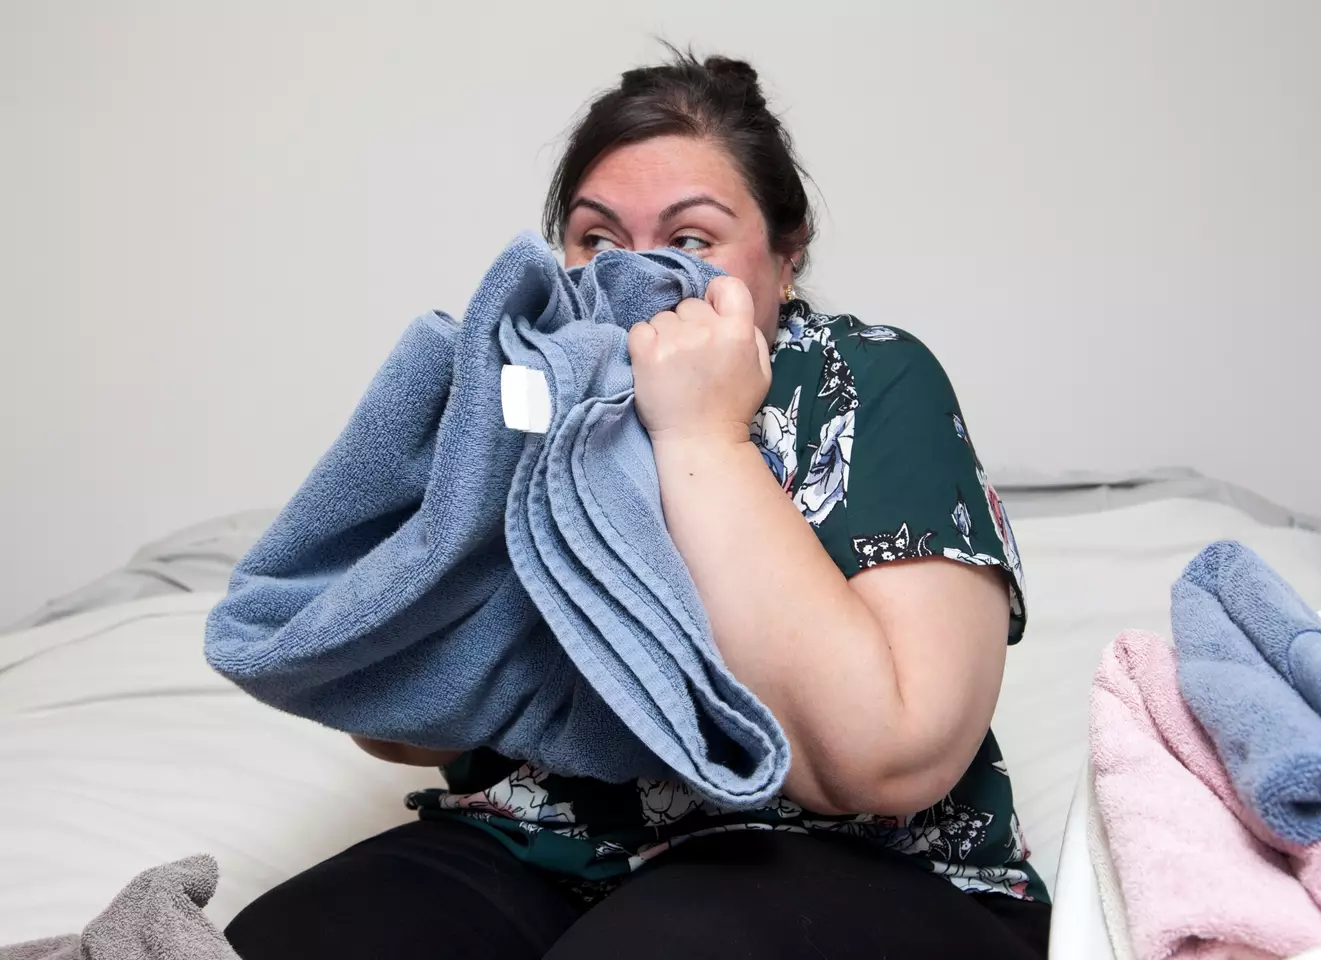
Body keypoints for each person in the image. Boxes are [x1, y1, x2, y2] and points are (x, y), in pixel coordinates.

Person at [226, 50, 1048, 960]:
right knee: (286, 939)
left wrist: (703, 437)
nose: (636, 276)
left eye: (692, 241)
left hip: (842, 867)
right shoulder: (522, 394)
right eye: (598, 240)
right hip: (534, 847)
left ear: (786, 252)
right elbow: (393, 727)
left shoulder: (868, 376)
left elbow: (895, 758)